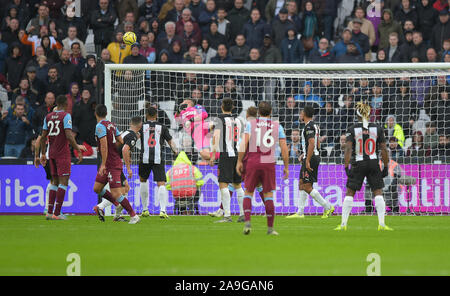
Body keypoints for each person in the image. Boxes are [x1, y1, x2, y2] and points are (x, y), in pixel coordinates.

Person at [335, 102, 393, 231]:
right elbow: (383, 149)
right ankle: (382, 224)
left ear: (357, 115)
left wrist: (346, 166)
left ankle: (343, 224)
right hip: (373, 162)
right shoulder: (378, 128)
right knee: (378, 191)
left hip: (358, 163)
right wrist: (385, 165)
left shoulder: (352, 129)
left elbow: (348, 149)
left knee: (350, 192)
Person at [236, 101, 289, 236]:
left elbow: (243, 144)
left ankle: (247, 221)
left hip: (253, 161)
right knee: (268, 194)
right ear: (271, 113)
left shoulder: (251, 124)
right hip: (268, 162)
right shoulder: (277, 126)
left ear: (258, 112)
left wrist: (239, 161)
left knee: (248, 192)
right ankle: (270, 229)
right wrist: (286, 166)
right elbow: (284, 148)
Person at [38, 95, 86, 220]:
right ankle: (57, 213)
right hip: (62, 154)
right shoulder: (66, 116)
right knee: (63, 182)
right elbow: (69, 136)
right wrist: (78, 148)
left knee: (54, 182)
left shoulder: (47, 116)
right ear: (65, 104)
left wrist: (43, 153)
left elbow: (43, 137)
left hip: (51, 153)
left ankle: (49, 212)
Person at [92, 104, 140, 224]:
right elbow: (121, 140)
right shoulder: (112, 125)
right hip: (110, 162)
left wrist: (103, 164)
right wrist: (113, 147)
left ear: (95, 114)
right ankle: (116, 204)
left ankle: (133, 215)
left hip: (111, 164)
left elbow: (104, 145)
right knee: (97, 188)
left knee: (117, 193)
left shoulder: (99, 126)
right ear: (106, 113)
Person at [286, 105, 334, 219]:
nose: (300, 115)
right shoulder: (314, 126)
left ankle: (328, 207)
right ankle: (300, 212)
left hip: (311, 158)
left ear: (305, 114)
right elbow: (316, 144)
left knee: (307, 186)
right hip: (310, 156)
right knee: (301, 183)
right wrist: (304, 154)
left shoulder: (308, 127)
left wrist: (307, 159)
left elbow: (312, 143)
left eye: (301, 113)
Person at [209, 98, 245, 223]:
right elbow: (240, 138)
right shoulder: (239, 121)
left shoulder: (219, 119)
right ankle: (242, 214)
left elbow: (216, 137)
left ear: (222, 106)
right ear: (233, 107)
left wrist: (213, 154)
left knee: (223, 184)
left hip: (225, 154)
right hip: (236, 154)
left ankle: (227, 216)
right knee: (238, 185)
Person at [139, 106, 178, 218]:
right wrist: (175, 151)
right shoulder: (162, 127)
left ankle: (145, 209)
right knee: (161, 183)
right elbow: (170, 141)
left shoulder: (142, 127)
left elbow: (135, 137)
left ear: (146, 116)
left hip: (144, 158)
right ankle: (162, 210)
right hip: (158, 158)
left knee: (143, 180)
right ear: (156, 115)